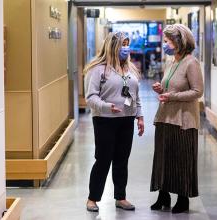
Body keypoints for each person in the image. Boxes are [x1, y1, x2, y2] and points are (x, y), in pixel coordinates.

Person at [84, 31, 144, 212]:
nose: (126, 48)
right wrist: (106, 106)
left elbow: (135, 96)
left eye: (127, 44)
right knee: (103, 160)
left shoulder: (130, 69)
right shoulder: (98, 69)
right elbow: (90, 97)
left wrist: (139, 116)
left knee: (121, 160)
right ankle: (92, 198)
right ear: (112, 47)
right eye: (122, 45)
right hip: (105, 120)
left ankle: (121, 197)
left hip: (126, 120)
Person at [150, 24, 204, 214]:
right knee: (163, 158)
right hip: (166, 117)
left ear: (178, 42)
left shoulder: (191, 63)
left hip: (184, 121)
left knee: (182, 159)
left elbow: (197, 92)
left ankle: (183, 199)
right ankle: (163, 195)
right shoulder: (172, 62)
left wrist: (172, 96)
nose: (165, 44)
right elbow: (170, 88)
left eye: (167, 41)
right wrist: (161, 89)